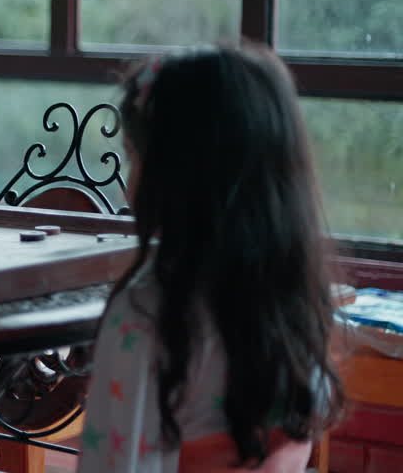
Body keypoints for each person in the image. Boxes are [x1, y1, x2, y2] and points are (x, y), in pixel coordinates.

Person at [76, 43, 343, 473]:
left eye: (134, 158)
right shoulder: (298, 303)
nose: (129, 188)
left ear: (177, 174)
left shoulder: (146, 314)